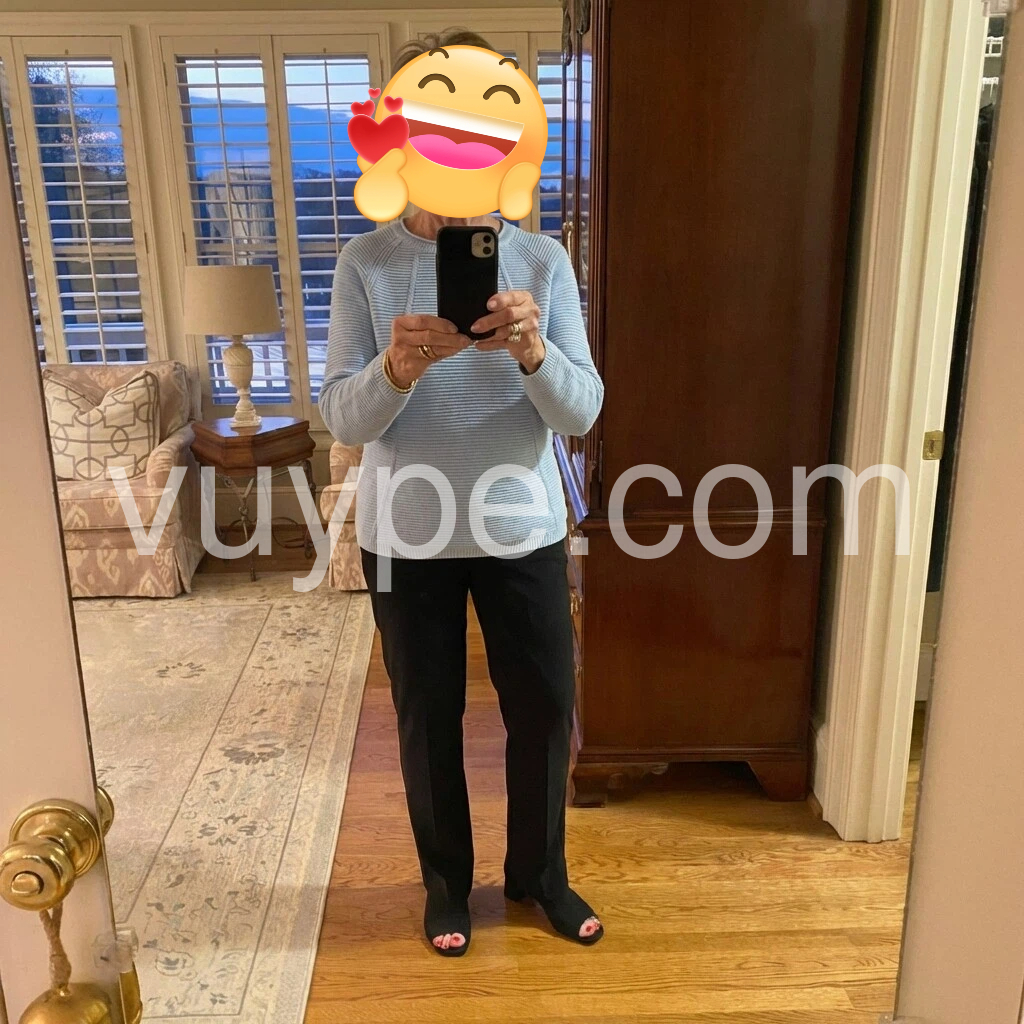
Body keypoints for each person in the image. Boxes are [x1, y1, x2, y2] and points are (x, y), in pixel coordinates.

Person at [319, 29, 605, 957]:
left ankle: (539, 876)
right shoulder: (364, 264)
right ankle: (446, 885)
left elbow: (583, 411)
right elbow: (342, 417)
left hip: (523, 528)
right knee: (427, 718)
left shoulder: (543, 261)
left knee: (545, 709)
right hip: (407, 535)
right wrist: (396, 369)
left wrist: (534, 351)